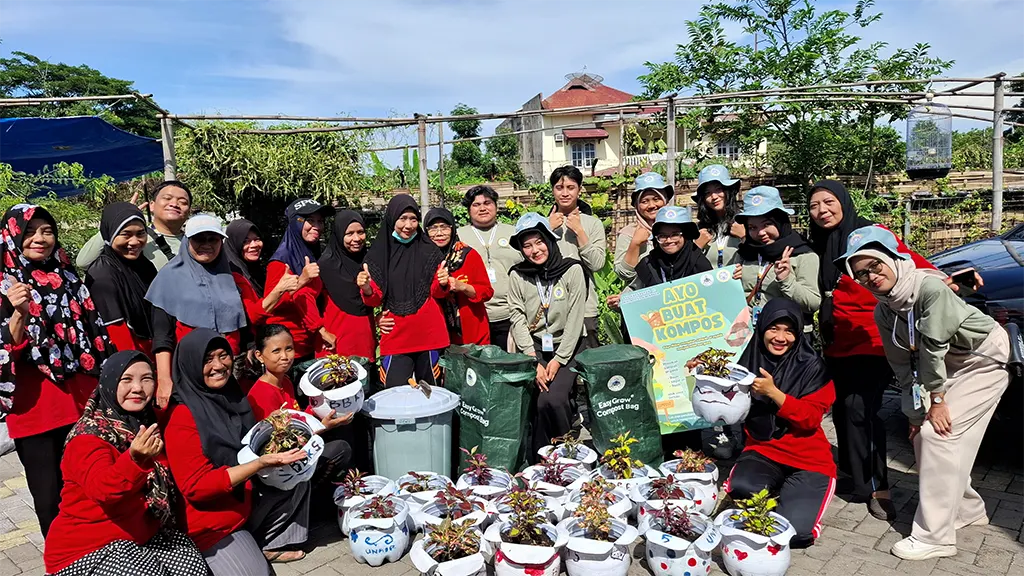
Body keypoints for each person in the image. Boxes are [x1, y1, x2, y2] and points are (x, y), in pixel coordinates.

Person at [837, 226, 1010, 561]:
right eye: (860, 274)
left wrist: (937, 401)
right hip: (948, 367)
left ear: (893, 258)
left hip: (984, 360)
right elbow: (902, 365)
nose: (870, 277)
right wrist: (915, 413)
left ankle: (935, 537)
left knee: (937, 435)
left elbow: (931, 349)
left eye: (875, 265)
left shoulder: (927, 287)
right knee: (923, 435)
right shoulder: (884, 309)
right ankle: (968, 509)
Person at [807, 179, 936, 520]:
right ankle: (855, 478)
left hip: (874, 341)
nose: (822, 211)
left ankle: (880, 486)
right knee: (843, 410)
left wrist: (949, 280)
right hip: (837, 344)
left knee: (860, 410)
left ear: (843, 201)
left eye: (828, 202)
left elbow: (915, 264)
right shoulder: (817, 244)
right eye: (814, 205)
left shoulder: (870, 233)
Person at [0, 204, 112, 537]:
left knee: (90, 485)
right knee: (51, 498)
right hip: (36, 412)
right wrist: (18, 314)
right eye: (30, 232)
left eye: (47, 231)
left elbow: (94, 334)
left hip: (81, 403)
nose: (40, 239)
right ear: (11, 236)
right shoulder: (4, 285)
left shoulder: (68, 277)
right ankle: (65, 562)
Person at [44, 351, 208, 576]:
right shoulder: (88, 437)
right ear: (110, 382)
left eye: (147, 379)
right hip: (86, 549)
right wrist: (135, 460)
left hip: (139, 538)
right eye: (127, 379)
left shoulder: (148, 422)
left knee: (190, 562)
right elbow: (103, 489)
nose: (138, 388)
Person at [164, 329, 310, 574]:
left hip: (244, 501)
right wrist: (259, 465)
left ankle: (268, 543)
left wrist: (270, 426)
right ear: (190, 364)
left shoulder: (231, 396)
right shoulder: (183, 416)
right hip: (213, 524)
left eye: (224, 355)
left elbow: (245, 443)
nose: (219, 365)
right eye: (207, 359)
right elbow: (196, 487)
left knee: (298, 473)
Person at [714, 298, 836, 550]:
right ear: (762, 329)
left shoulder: (813, 367)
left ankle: (793, 497)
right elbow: (722, 404)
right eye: (774, 328)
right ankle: (777, 489)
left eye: (789, 330)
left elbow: (810, 419)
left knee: (796, 535)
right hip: (763, 451)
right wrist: (704, 372)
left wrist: (774, 393)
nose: (781, 337)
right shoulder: (748, 360)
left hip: (808, 461)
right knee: (741, 488)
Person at [146, 213, 249, 408]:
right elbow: (162, 336)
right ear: (187, 241)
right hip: (191, 373)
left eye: (213, 239)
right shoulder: (169, 278)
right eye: (199, 239)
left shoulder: (229, 275)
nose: (207, 244)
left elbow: (241, 323)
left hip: (230, 369)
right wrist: (164, 379)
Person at [507, 213, 587, 460]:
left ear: (549, 241)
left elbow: (575, 318)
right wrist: (533, 359)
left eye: (539, 242)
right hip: (536, 347)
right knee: (539, 401)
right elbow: (517, 317)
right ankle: (541, 459)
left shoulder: (572, 269)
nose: (534, 250)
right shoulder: (517, 274)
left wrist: (559, 359)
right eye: (527, 245)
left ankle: (566, 453)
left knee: (553, 399)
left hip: (570, 346)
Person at [358, 195, 449, 388]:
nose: (408, 225)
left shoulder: (430, 251)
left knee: (431, 392)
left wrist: (442, 283)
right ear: (392, 219)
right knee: (393, 392)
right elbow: (375, 299)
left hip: (429, 335)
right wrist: (366, 288)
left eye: (413, 219)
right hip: (396, 334)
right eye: (403, 218)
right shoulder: (378, 254)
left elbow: (437, 293)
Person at [247, 324, 352, 485]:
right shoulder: (261, 394)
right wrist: (323, 426)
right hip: (282, 467)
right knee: (340, 449)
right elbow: (279, 446)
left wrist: (320, 401)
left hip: (297, 451)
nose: (285, 356)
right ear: (259, 356)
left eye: (289, 348)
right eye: (276, 351)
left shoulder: (286, 382)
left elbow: (299, 418)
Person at [264, 199, 336, 371]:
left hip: (306, 345)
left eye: (320, 221)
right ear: (297, 222)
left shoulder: (309, 253)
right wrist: (301, 280)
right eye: (310, 220)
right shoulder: (281, 261)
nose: (317, 226)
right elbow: (270, 306)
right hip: (286, 351)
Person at [732, 186, 820, 325]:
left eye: (767, 224)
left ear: (780, 222)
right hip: (749, 332)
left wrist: (786, 280)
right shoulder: (744, 253)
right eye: (752, 227)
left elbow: (812, 304)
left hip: (786, 336)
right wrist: (732, 281)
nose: (760, 233)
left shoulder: (803, 255)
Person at [84, 202, 158, 355]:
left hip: (156, 352)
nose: (134, 242)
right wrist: (135, 366)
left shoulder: (145, 267)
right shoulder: (102, 275)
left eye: (140, 233)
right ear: (110, 234)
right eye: (125, 234)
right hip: (131, 359)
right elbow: (116, 331)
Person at [547, 166, 607, 349]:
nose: (565, 193)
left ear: (580, 189)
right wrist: (547, 230)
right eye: (559, 188)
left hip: (585, 307)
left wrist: (580, 232)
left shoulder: (593, 224)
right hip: (552, 304)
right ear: (552, 190)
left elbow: (597, 264)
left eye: (571, 188)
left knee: (589, 363)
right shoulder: (542, 223)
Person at [457, 185, 523, 349]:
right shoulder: (458, 236)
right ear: (469, 209)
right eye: (476, 205)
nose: (482, 208)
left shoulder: (514, 233)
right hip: (474, 316)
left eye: (487, 203)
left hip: (510, 314)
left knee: (509, 368)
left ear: (495, 205)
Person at [78, 181, 192, 270]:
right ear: (151, 206)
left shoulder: (197, 241)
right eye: (167, 198)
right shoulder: (135, 239)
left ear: (189, 210)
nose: (174, 204)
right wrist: (119, 222)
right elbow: (84, 262)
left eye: (183, 202)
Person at [425, 207, 494, 345]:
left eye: (444, 227)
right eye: (433, 228)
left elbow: (486, 292)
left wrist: (462, 286)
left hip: (472, 333)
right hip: (436, 333)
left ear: (452, 229)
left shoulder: (468, 255)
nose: (439, 233)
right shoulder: (422, 259)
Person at [318, 210, 377, 360]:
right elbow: (307, 301)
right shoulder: (325, 266)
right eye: (349, 233)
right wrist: (320, 331)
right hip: (335, 341)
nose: (356, 238)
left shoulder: (369, 261)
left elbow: (378, 297)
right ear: (338, 235)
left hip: (364, 337)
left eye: (360, 232)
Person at [225, 219, 299, 334]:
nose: (254, 245)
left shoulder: (255, 270)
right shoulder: (234, 275)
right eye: (246, 241)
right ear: (235, 243)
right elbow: (254, 316)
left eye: (257, 239)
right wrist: (280, 289)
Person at [614, 172, 674, 289]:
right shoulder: (628, 233)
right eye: (644, 201)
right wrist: (635, 244)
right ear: (637, 205)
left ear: (665, 201)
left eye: (657, 199)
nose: (651, 205)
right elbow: (623, 274)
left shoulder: (679, 230)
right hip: (642, 299)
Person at [634, 206, 712, 289]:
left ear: (685, 235)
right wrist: (624, 298)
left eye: (675, 235)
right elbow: (634, 289)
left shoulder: (699, 262)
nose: (668, 240)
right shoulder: (648, 264)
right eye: (662, 236)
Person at [692, 164, 744, 269]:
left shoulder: (745, 223)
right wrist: (696, 247)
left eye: (718, 189)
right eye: (708, 193)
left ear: (729, 191)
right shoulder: (699, 230)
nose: (714, 197)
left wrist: (745, 237)